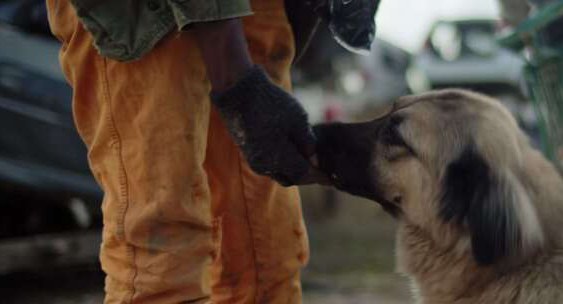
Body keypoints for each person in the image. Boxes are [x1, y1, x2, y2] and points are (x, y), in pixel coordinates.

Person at [45, 0, 378, 302]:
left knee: (264, 259)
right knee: (164, 264)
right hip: (142, 14)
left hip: (251, 13)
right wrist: (240, 86)